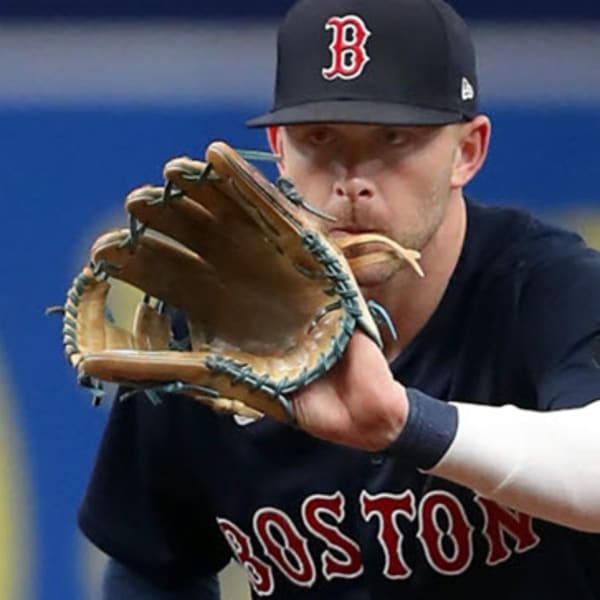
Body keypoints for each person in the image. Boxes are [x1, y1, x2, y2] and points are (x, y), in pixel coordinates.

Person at [78, 0, 600, 598]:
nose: (352, 179)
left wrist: (410, 425)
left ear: (467, 151)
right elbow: (151, 563)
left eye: (393, 137)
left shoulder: (546, 286)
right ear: (278, 147)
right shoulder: (211, 320)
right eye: (319, 137)